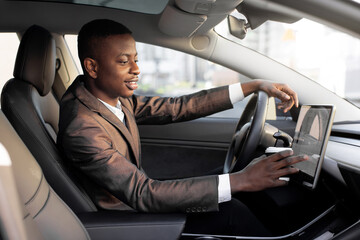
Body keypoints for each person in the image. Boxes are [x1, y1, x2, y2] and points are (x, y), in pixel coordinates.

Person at [57, 19, 308, 236]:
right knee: (232, 211)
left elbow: (178, 107)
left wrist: (251, 86)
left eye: (136, 59)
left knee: (225, 184)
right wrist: (241, 180)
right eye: (124, 62)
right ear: (92, 67)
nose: (137, 69)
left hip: (136, 197)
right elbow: (143, 193)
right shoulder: (82, 128)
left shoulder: (110, 97)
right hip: (126, 219)